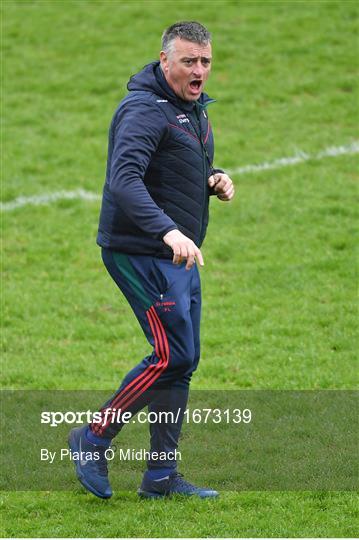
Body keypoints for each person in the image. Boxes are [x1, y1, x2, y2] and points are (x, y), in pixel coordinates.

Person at [68, 21, 235, 500]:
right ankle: (93, 437)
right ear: (165, 62)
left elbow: (174, 167)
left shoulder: (191, 107)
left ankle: (161, 477)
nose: (199, 70)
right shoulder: (144, 109)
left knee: (184, 361)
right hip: (138, 250)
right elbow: (125, 180)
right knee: (172, 354)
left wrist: (214, 178)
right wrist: (167, 230)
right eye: (189, 61)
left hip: (176, 253)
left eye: (205, 62)